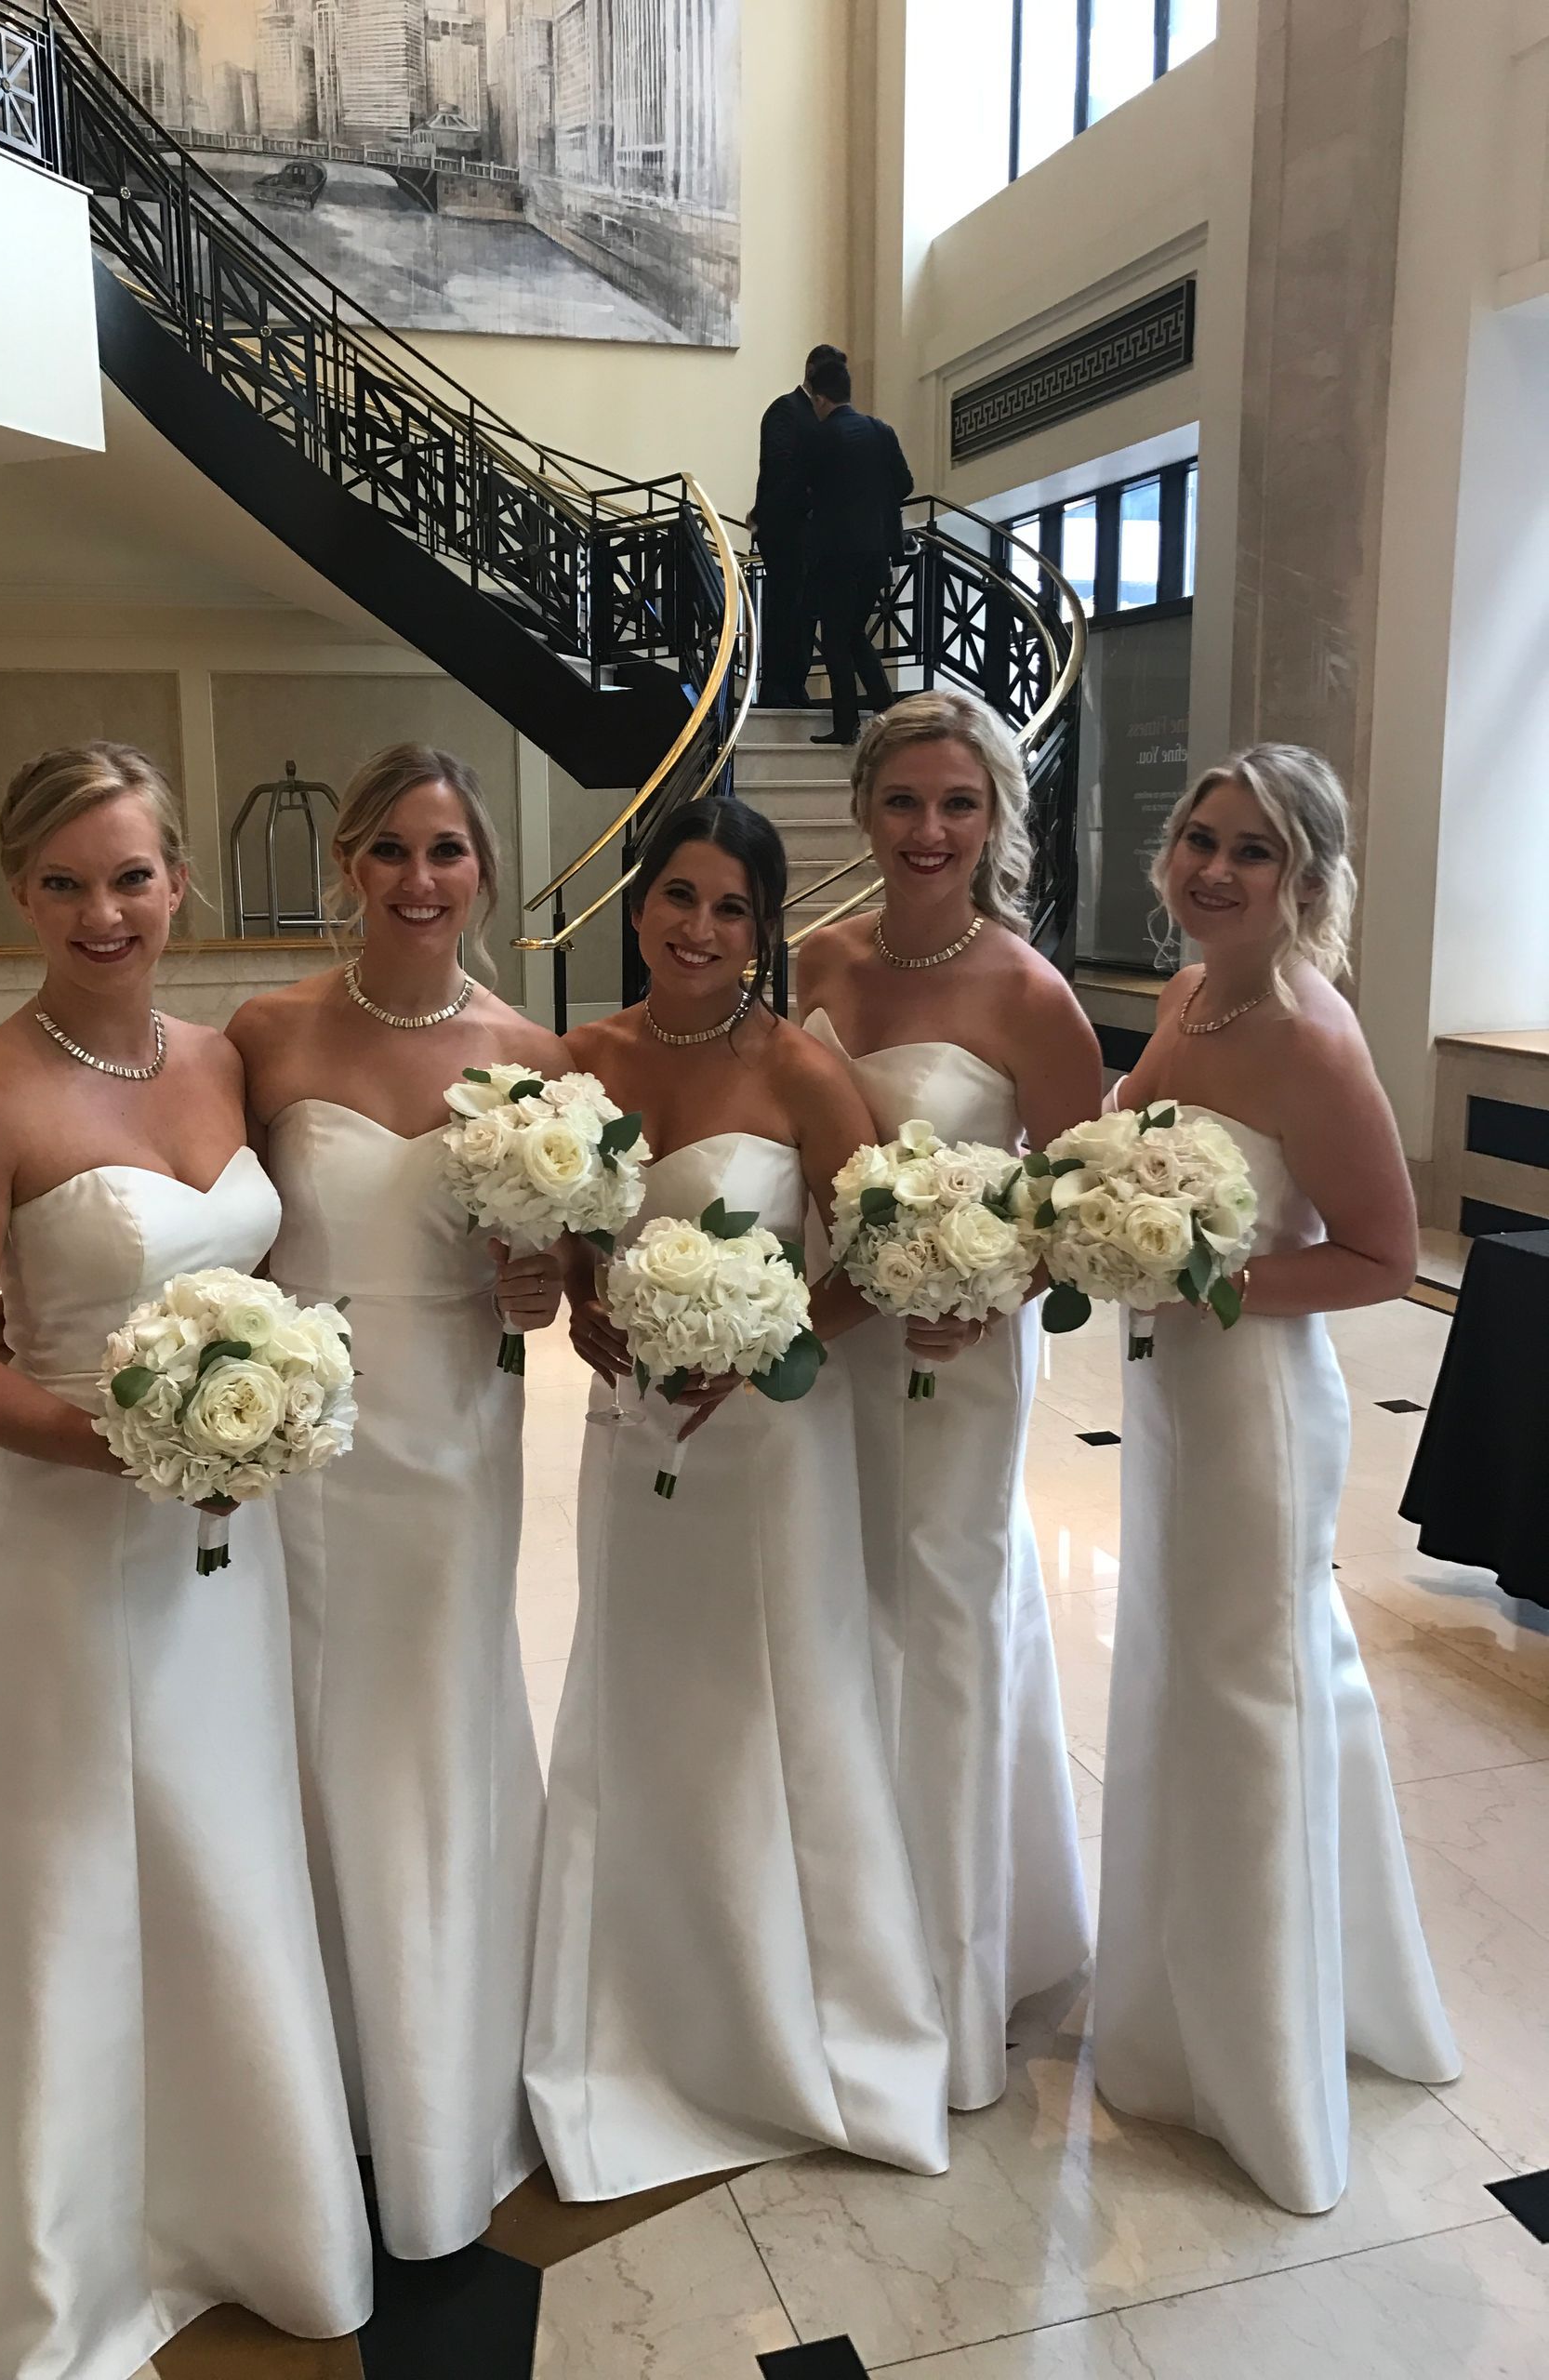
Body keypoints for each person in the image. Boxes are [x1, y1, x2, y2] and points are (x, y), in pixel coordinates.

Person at [0, 745, 371, 2380]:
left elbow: (280, 1275)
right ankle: (59, 2260)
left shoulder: (226, 1063)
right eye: (67, 881)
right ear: (20, 893)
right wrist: (137, 1443)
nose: (104, 909)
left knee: (221, 1846)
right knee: (76, 1860)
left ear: (180, 884)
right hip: (68, 1547)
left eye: (133, 874)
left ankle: (243, 2206)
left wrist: (260, 1414)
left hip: (228, 1545)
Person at [524, 795, 950, 2202]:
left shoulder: (797, 1070)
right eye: (679, 897)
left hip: (770, 1448)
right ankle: (637, 2003)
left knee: (777, 1700)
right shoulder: (578, 1062)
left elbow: (879, 1248)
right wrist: (586, 1303)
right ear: (638, 904)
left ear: (764, 935)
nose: (699, 929)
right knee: (643, 1692)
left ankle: (801, 2019)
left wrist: (774, 1343)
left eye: (732, 910)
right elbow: (570, 1230)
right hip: (630, 1426)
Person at [1093, 744, 1460, 2214]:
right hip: (1174, 1389)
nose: (1216, 870)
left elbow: (1383, 1252)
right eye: (1200, 839)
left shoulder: (1312, 1035)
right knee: (1193, 1679)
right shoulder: (1187, 997)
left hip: (1254, 1405)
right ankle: (1189, 2011)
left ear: (1305, 879)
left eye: (1254, 851)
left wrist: (1212, 1278)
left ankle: (1268, 2070)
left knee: (1254, 1690)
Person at [227, 744, 565, 2260]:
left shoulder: (534, 1058)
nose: (419, 881)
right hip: (308, 1446)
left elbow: (548, 1302)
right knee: (309, 1724)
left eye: (447, 852)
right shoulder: (267, 1035)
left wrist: (541, 1277)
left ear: (482, 869)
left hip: (453, 1433)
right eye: (391, 853)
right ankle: (315, 2072)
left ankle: (445, 2069)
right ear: (348, 866)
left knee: (435, 1727)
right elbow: (221, 1234)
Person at [796, 691, 1096, 2111]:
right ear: (865, 812)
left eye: (958, 806)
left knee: (950, 1606)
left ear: (995, 823)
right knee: (842, 1599)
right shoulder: (820, 962)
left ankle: (957, 1960)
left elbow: (1076, 1204)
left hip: (962, 1351)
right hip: (838, 1339)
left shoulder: (1028, 993)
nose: (928, 831)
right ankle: (846, 1930)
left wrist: (993, 1278)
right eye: (905, 803)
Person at [800, 351, 913, 747]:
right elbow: (905, 484)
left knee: (835, 637)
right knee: (854, 633)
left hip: (837, 555)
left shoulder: (822, 436)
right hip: (877, 553)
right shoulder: (881, 431)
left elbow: (806, 493)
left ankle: (847, 725)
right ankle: (888, 715)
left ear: (819, 399)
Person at [748, 341, 845, 707]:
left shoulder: (823, 415)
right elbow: (781, 467)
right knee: (787, 607)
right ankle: (777, 686)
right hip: (787, 529)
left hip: (812, 532)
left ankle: (795, 682)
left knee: (805, 611)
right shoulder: (786, 410)